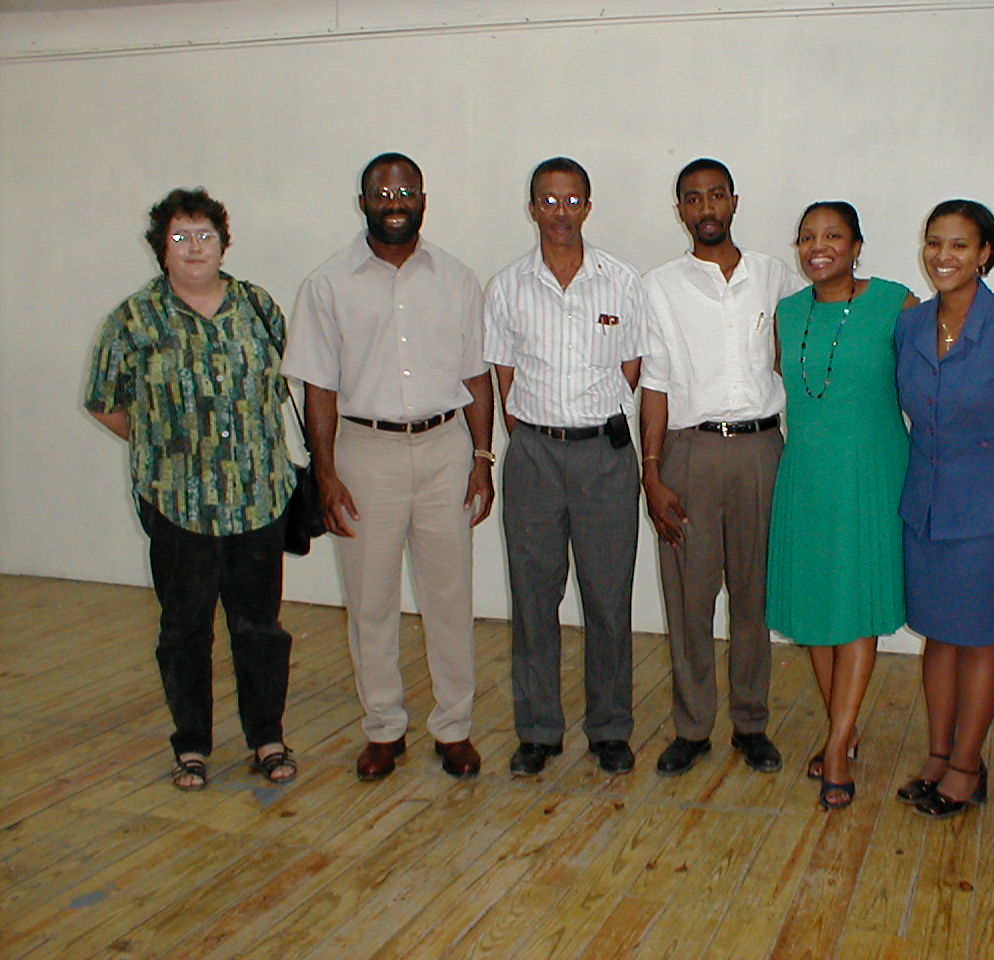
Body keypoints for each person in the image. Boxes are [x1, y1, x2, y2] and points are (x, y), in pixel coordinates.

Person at [283, 153, 494, 782]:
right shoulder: (328, 284)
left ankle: (453, 728)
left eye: (405, 189)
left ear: (424, 198)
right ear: (364, 202)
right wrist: (325, 473)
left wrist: (482, 460)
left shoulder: (456, 279)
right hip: (363, 455)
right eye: (382, 191)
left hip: (444, 451)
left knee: (449, 599)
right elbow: (317, 387)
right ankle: (384, 729)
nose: (394, 199)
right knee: (370, 601)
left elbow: (477, 376)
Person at [85, 187, 297, 791]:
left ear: (224, 243)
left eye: (205, 235)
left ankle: (267, 736)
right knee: (184, 629)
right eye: (181, 237)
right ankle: (193, 746)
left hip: (259, 497)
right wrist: (167, 451)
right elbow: (106, 404)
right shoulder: (132, 319)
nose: (194, 247)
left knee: (260, 627)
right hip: (176, 505)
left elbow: (286, 383)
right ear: (162, 249)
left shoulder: (258, 307)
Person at [640, 158, 805, 776]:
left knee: (754, 594)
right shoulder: (659, 285)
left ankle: (751, 722)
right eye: (692, 199)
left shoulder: (775, 277)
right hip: (689, 452)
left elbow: (801, 358)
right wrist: (652, 473)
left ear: (734, 201)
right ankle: (691, 727)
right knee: (689, 596)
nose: (706, 208)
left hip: (763, 450)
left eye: (715, 196)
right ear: (679, 209)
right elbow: (654, 383)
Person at [484, 157, 647, 777]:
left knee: (608, 598)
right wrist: (534, 430)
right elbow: (502, 371)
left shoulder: (622, 282)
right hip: (534, 456)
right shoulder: (507, 287)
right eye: (547, 201)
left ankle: (609, 728)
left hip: (605, 457)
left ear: (588, 204)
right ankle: (538, 731)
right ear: (532, 209)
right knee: (533, 598)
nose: (560, 211)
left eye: (571, 199)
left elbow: (632, 368)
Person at [893, 200, 994, 819]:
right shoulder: (911, 324)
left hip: (988, 508)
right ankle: (937, 754)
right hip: (923, 504)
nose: (943, 256)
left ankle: (967, 765)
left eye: (959, 245)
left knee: (977, 639)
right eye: (934, 242)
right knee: (938, 635)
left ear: (985, 253)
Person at [767, 202, 918, 810]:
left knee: (853, 608)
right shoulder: (786, 311)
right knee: (817, 609)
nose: (817, 246)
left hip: (872, 473)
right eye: (807, 236)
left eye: (832, 235)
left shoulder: (896, 303)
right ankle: (844, 731)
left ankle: (834, 749)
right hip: (806, 473)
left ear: (858, 244)